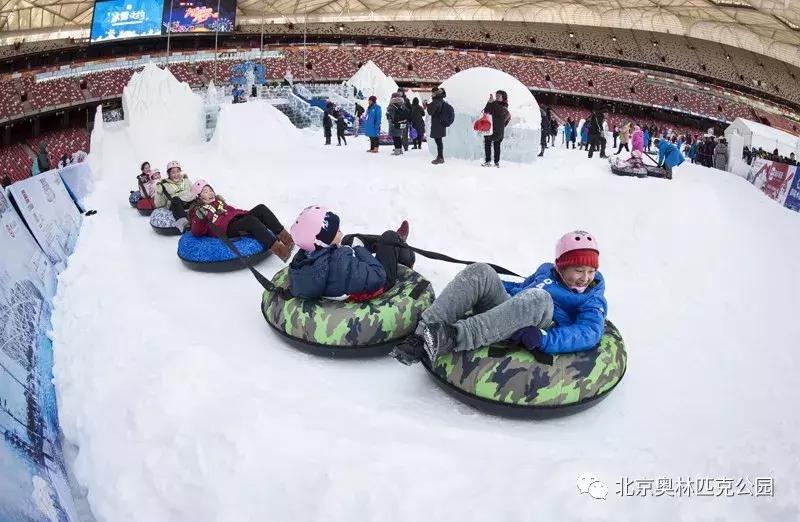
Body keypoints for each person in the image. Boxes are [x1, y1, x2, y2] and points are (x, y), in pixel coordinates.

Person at [392, 230, 607, 364]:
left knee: (539, 298)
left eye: (591, 271)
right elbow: (521, 288)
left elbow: (588, 332)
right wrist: (487, 284)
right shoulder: (546, 271)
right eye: (579, 270)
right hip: (513, 311)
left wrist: (544, 338)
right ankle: (422, 335)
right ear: (561, 265)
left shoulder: (592, 298)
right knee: (481, 270)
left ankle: (451, 337)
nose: (585, 278)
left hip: (537, 328)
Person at [287, 206, 414, 300]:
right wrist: (359, 249)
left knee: (349, 238)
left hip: (347, 275)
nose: (340, 232)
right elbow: (378, 277)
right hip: (378, 285)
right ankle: (400, 249)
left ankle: (389, 243)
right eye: (337, 231)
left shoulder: (304, 257)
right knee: (389, 237)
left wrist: (347, 247)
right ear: (321, 242)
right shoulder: (340, 264)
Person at [189, 180, 294, 261]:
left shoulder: (219, 202)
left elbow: (234, 211)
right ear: (198, 197)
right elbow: (197, 231)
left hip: (234, 220)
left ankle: (288, 241)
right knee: (250, 221)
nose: (210, 193)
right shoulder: (199, 211)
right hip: (225, 229)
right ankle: (282, 252)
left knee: (261, 209)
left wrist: (251, 213)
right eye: (205, 192)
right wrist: (199, 217)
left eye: (211, 190)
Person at [155, 161, 194, 232]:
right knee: (176, 199)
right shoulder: (164, 185)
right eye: (173, 172)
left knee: (197, 200)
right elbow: (159, 204)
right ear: (169, 174)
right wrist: (159, 193)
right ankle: (184, 225)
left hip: (189, 201)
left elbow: (193, 192)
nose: (176, 174)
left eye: (178, 171)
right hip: (176, 204)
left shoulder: (186, 180)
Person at [481, 90, 511, 167]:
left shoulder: (504, 107)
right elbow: (486, 111)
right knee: (487, 144)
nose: (497, 97)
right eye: (496, 95)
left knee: (496, 145)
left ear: (503, 97)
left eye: (499, 96)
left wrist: (493, 103)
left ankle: (496, 162)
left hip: (498, 130)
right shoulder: (494, 104)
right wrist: (489, 102)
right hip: (489, 128)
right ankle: (487, 161)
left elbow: (500, 113)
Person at [427, 87, 448, 164]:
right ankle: (440, 156)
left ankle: (440, 157)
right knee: (439, 141)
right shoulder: (441, 100)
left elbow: (430, 112)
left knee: (438, 141)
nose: (431, 94)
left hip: (437, 124)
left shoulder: (436, 101)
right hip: (441, 123)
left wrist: (428, 106)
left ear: (435, 93)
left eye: (432, 93)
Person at [386, 91, 409, 155]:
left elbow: (391, 115)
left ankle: (397, 150)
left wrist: (392, 120)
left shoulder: (392, 105)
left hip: (394, 123)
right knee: (398, 136)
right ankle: (400, 149)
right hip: (402, 122)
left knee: (395, 137)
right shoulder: (402, 104)